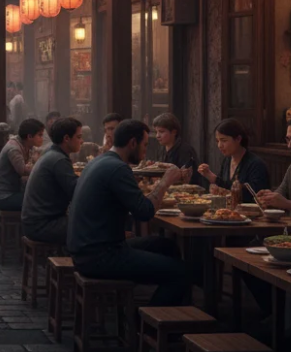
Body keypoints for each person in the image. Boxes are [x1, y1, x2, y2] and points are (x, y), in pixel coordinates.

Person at [68, 118, 190, 306]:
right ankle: (149, 327)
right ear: (132, 143)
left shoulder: (101, 161)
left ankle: (177, 315)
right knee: (180, 272)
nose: (145, 150)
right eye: (144, 145)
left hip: (84, 249)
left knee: (166, 247)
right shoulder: (117, 168)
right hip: (101, 256)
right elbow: (145, 212)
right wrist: (165, 181)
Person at [21, 116, 83, 246]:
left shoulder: (51, 153)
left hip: (34, 222)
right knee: (92, 227)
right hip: (42, 226)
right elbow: (77, 192)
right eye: (78, 137)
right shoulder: (59, 159)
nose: (81, 141)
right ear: (66, 138)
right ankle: (83, 264)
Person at [197, 118, 269, 201]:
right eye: (217, 141)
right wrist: (213, 184)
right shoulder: (227, 161)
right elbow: (223, 186)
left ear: (238, 139)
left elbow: (254, 196)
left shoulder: (256, 165)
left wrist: (215, 180)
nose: (220, 145)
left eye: (224, 140)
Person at [0, 117, 45, 212]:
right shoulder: (14, 148)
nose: (42, 138)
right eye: (40, 135)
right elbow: (22, 170)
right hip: (4, 197)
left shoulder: (25, 145)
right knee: (41, 202)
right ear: (29, 136)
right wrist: (41, 168)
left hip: (13, 192)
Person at [152, 112, 200, 185]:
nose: (157, 136)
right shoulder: (161, 149)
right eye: (156, 132)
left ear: (174, 132)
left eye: (161, 132)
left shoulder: (185, 150)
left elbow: (188, 177)